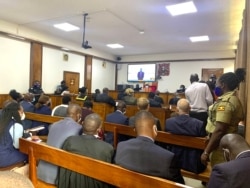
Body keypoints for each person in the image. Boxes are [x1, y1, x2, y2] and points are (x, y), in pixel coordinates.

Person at [115, 111, 184, 184]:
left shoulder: (121, 146)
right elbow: (180, 185)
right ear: (155, 129)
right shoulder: (168, 158)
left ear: (135, 130)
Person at [201, 70, 245, 167]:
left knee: (219, 172)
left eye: (217, 84)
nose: (216, 87)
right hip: (223, 143)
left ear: (223, 85)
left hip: (221, 146)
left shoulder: (226, 103)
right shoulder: (231, 98)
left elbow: (220, 130)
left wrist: (206, 152)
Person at [57, 113, 114, 188]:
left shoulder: (70, 141)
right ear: (99, 129)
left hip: (70, 183)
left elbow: (62, 167)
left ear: (82, 124)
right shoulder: (107, 148)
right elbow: (108, 176)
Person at [37, 103, 82, 185]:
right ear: (78, 116)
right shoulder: (79, 129)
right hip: (58, 177)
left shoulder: (53, 125)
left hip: (41, 171)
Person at [165, 99, 207, 173]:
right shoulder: (199, 124)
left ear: (177, 109)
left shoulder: (169, 122)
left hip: (173, 160)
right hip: (193, 163)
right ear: (190, 108)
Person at [0, 101, 28, 168]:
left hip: (2, 154)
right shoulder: (16, 125)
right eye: (22, 112)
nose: (23, 114)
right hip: (4, 158)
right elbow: (17, 146)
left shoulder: (3, 121)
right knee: (28, 154)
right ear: (18, 112)